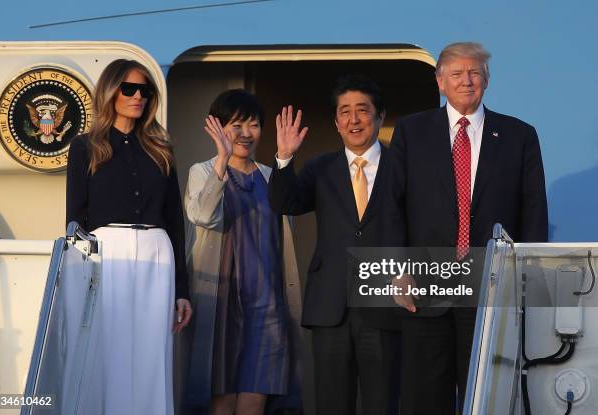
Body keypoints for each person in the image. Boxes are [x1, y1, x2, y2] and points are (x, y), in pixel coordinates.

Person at [389, 42, 548, 414]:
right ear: (440, 81)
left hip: (491, 292)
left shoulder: (519, 135)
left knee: (489, 397)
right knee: (424, 399)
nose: (466, 81)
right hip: (423, 291)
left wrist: (525, 282)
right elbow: (390, 205)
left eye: (474, 73)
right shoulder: (411, 132)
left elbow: (533, 212)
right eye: (457, 74)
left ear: (487, 80)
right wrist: (397, 269)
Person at [269, 75, 405, 415]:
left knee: (382, 402)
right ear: (336, 121)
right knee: (332, 402)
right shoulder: (320, 167)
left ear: (379, 116)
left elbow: (420, 226)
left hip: (386, 304)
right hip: (331, 306)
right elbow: (285, 202)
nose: (354, 119)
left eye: (362, 110)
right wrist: (284, 158)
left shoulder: (403, 167)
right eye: (345, 112)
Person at [66, 59, 192, 415]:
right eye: (129, 88)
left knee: (154, 352)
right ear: (111, 92)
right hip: (109, 253)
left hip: (157, 251)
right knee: (111, 350)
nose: (138, 96)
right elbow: (74, 219)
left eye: (145, 90)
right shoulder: (85, 147)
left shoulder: (161, 147)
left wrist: (182, 290)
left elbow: (175, 221)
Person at [183, 89, 303, 415]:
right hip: (222, 303)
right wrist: (222, 161)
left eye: (253, 125)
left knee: (255, 402)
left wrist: (286, 157)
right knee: (222, 402)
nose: (246, 134)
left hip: (267, 305)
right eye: (236, 125)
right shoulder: (204, 171)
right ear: (218, 128)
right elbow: (203, 216)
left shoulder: (269, 175)